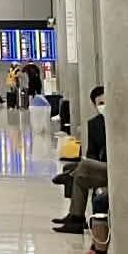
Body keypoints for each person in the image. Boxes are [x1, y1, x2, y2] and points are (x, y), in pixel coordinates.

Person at [52, 87, 108, 234]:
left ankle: (76, 217)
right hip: (101, 166)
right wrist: (92, 164)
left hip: (114, 167)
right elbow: (91, 153)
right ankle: (75, 217)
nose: (104, 106)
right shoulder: (94, 124)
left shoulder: (118, 123)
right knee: (76, 169)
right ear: (95, 106)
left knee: (81, 170)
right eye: (100, 103)